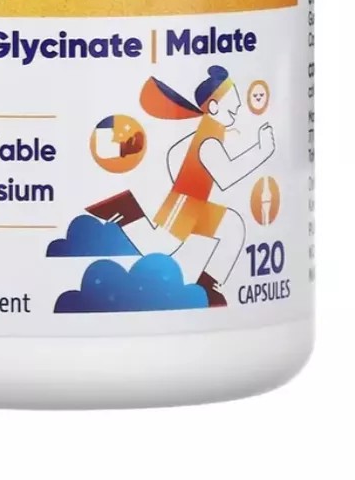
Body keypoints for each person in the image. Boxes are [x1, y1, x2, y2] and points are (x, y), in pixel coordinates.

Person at [86, 66, 275, 306]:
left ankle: (208, 288)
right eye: (233, 105)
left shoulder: (210, 132)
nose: (238, 108)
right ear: (213, 107)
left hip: (196, 203)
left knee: (233, 227)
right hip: (186, 203)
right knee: (158, 247)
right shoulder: (208, 139)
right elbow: (226, 177)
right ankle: (126, 210)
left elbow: (176, 153)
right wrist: (262, 151)